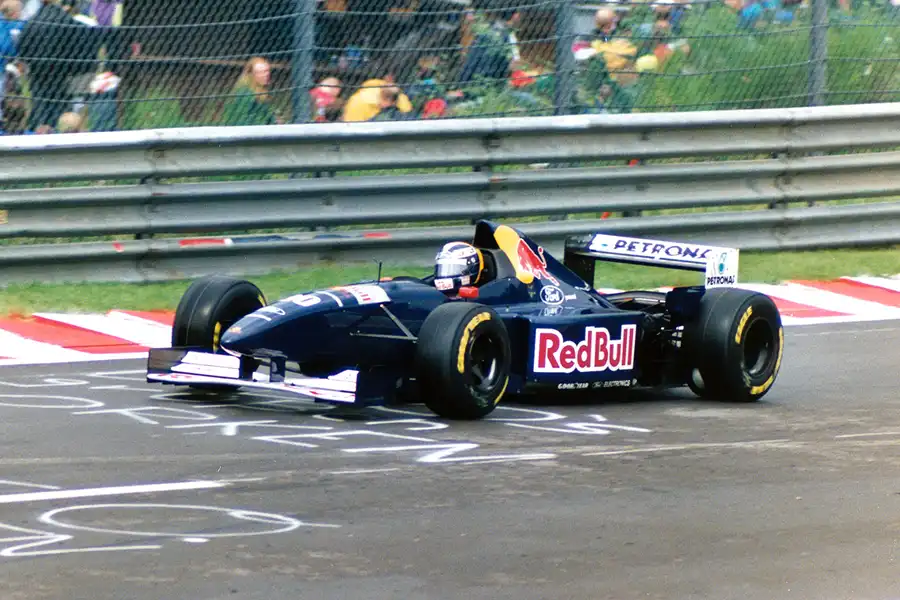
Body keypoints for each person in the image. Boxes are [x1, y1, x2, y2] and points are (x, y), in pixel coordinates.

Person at [222, 56, 282, 126]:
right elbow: (243, 121)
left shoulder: (258, 89)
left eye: (266, 71)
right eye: (260, 72)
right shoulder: (246, 93)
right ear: (251, 74)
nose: (266, 75)